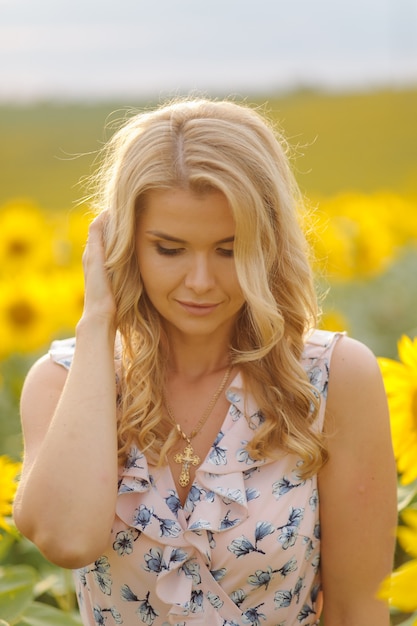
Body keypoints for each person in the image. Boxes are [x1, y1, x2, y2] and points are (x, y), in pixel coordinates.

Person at [13, 98, 397, 626]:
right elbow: (68, 539)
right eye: (169, 249)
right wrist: (98, 319)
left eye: (229, 249)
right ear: (126, 245)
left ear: (270, 247)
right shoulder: (63, 380)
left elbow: (359, 611)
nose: (199, 282)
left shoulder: (332, 378)